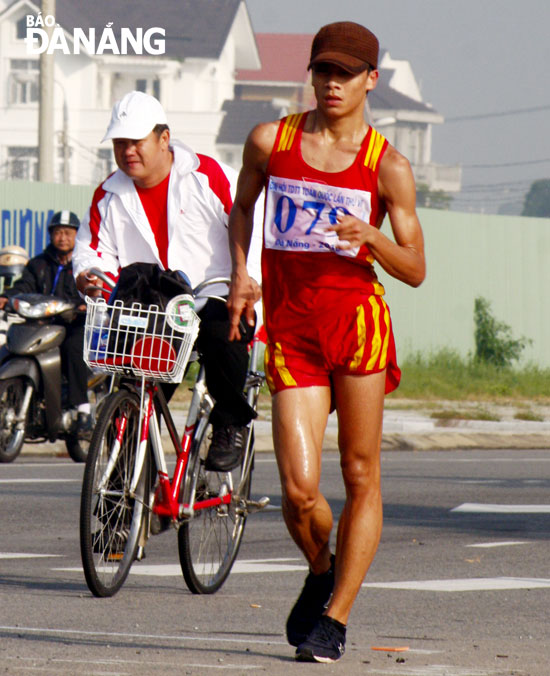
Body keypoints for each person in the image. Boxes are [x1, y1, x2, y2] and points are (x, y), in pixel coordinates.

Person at [227, 21, 426, 663]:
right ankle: (322, 569)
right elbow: (243, 207)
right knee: (298, 491)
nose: (332, 83)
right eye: (323, 71)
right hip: (293, 331)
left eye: (346, 73)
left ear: (372, 80)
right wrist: (241, 272)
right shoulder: (270, 139)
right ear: (311, 75)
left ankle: (335, 618)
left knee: (360, 473)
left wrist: (372, 238)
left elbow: (415, 268)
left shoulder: (387, 165)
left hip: (357, 327)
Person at [73, 90, 260, 472]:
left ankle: (229, 424)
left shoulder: (207, 175)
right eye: (120, 143)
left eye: (136, 141)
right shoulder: (108, 195)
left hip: (212, 296)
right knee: (129, 390)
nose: (128, 151)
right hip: (152, 309)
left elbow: (250, 224)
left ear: (163, 139)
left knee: (225, 335)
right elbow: (93, 249)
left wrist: (248, 278)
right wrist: (89, 275)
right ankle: (126, 487)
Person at [0, 211, 92, 436]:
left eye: (68, 233)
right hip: (40, 323)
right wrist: (7, 297)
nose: (62, 238)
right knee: (9, 348)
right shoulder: (39, 263)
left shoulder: (83, 264)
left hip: (72, 324)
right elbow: (24, 286)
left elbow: (91, 290)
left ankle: (83, 409)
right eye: (58, 232)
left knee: (72, 348)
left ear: (77, 236)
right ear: (50, 235)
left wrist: (83, 305)